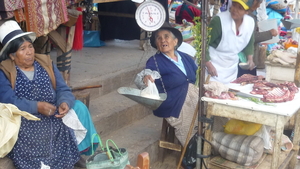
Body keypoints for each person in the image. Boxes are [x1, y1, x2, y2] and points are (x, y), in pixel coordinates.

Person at [0, 20, 98, 168]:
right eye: (22, 49)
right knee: (34, 136)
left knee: (73, 114)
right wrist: (37, 106)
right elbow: (8, 100)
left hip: (53, 113)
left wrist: (64, 102)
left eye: (30, 46)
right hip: (26, 118)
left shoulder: (46, 63)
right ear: (12, 56)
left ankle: (70, 161)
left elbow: (63, 89)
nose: (29, 52)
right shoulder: (4, 71)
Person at [134, 22, 198, 146]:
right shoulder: (155, 61)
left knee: (207, 116)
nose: (162, 40)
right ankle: (191, 155)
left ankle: (205, 147)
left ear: (175, 41)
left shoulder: (186, 57)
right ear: (157, 45)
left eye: (166, 36)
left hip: (191, 97)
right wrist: (146, 78)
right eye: (159, 38)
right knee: (190, 124)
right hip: (173, 103)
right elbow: (146, 74)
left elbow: (195, 76)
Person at [205, 0, 255, 84]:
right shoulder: (219, 20)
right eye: (234, 5)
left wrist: (250, 58)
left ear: (247, 12)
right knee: (210, 91)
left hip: (231, 66)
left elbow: (250, 42)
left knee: (228, 93)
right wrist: (208, 63)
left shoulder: (250, 22)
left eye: (240, 8)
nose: (235, 10)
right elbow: (203, 43)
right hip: (213, 62)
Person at [236, 0, 278, 77]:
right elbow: (251, 37)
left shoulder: (252, 15)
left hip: (248, 57)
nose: (259, 6)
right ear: (253, 2)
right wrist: (269, 33)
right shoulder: (246, 16)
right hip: (242, 59)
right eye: (259, 3)